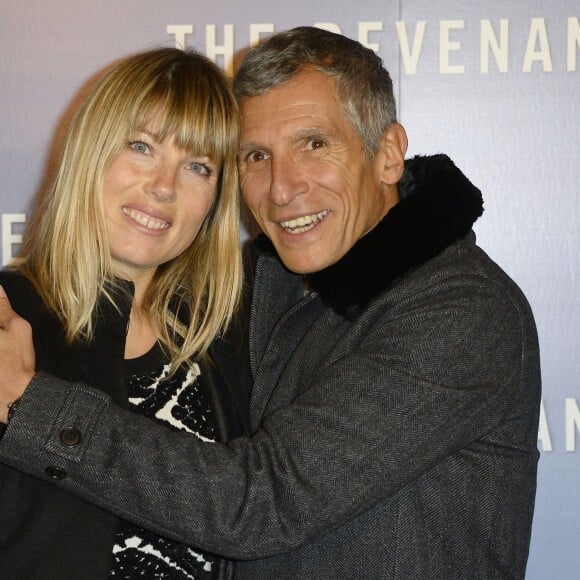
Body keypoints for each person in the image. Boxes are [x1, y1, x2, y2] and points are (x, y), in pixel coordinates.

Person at [0, 26, 541, 579]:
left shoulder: (461, 310)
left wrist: (28, 401)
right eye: (257, 155)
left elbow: (261, 503)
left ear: (387, 154)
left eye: (314, 144)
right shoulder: (254, 304)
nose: (282, 188)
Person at [0, 47, 250, 578]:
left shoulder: (223, 344)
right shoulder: (6, 317)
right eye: (141, 146)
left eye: (197, 166)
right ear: (90, 152)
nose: (163, 187)